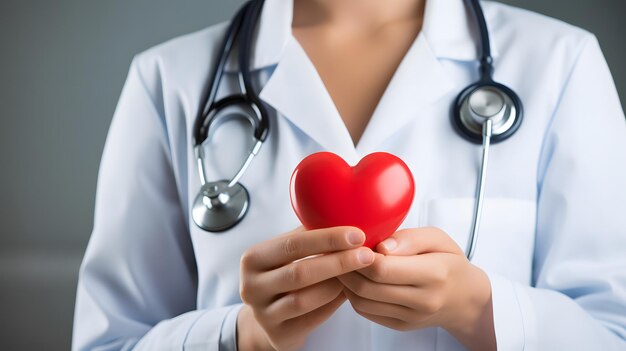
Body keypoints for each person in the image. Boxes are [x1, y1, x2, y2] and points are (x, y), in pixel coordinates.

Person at [72, 0, 626, 350]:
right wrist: (243, 337)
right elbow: (111, 341)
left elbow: (613, 333)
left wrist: (478, 309)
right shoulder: (169, 78)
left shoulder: (559, 62)